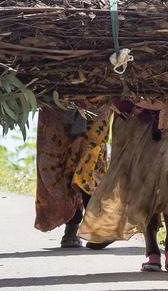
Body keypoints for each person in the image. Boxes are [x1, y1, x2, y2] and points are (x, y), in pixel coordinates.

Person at [78, 99, 168, 272]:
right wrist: (127, 103)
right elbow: (109, 85)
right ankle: (152, 250)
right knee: (138, 181)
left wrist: (160, 104)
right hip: (130, 122)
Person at [34, 102, 113, 249]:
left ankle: (96, 225)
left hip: (98, 96)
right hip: (58, 99)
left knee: (88, 159)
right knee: (57, 162)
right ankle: (74, 223)